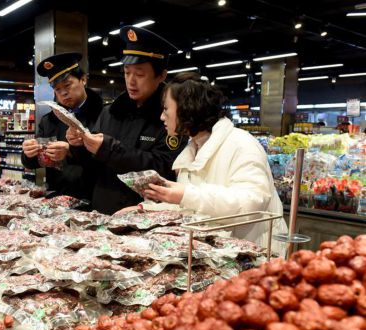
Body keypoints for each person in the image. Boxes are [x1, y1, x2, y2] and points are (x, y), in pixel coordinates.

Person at [120, 72, 287, 255]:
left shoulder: (241, 144)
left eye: (166, 109)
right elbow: (190, 208)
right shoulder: (193, 149)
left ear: (187, 108)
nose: (162, 117)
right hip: (218, 256)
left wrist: (184, 194)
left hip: (255, 257)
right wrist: (145, 210)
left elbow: (251, 203)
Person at [66, 26, 185, 214]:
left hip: (146, 218)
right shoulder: (110, 112)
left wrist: (108, 149)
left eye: (139, 74)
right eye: (127, 72)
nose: (131, 81)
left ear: (161, 75)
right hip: (103, 213)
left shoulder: (171, 116)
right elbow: (91, 166)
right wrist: (78, 146)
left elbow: (164, 168)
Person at [22, 52, 103, 200]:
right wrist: (29, 154)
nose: (64, 93)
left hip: (94, 198)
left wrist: (71, 151)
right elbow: (36, 162)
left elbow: (109, 159)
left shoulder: (103, 114)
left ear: (83, 79)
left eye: (67, 85)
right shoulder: (49, 120)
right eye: (58, 89)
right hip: (57, 199)